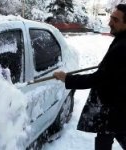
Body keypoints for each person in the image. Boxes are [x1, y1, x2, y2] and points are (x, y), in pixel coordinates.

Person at [53, 4, 126, 150]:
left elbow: (97, 79)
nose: (110, 22)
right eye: (111, 18)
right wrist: (108, 66)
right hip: (116, 105)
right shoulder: (121, 39)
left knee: (109, 137)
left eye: (115, 20)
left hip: (115, 107)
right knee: (105, 138)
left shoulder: (122, 47)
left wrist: (66, 78)